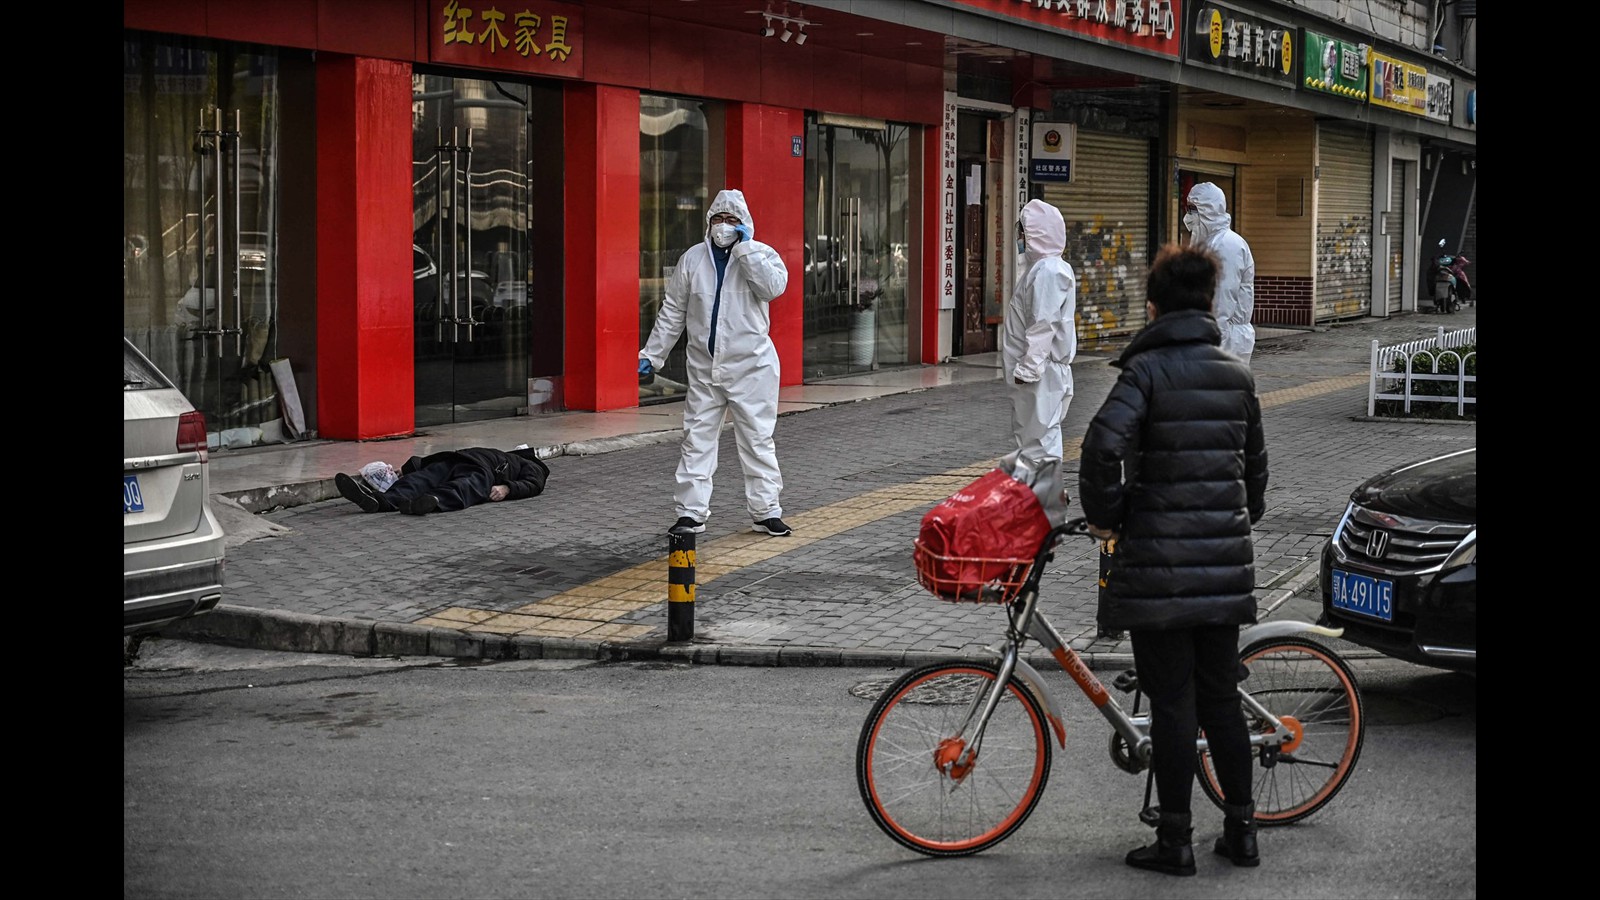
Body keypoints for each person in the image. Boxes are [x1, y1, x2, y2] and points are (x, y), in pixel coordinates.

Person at [1077, 244, 1269, 877]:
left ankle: (1176, 840)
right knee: (1220, 699)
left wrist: (1109, 514)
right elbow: (1255, 480)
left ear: (1154, 305)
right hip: (1222, 563)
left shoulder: (1146, 373)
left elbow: (1103, 447)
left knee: (1172, 704)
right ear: (1210, 303)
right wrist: (1232, 523)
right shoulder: (1236, 374)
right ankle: (1242, 833)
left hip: (1158, 565)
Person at [638, 188, 791, 538]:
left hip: (752, 367)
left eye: (732, 220)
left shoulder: (761, 254)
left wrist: (746, 250)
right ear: (708, 223)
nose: (724, 226)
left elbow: (772, 288)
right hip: (705, 368)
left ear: (745, 225)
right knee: (697, 440)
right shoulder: (692, 260)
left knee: (757, 439)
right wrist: (653, 355)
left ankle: (766, 511)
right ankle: (691, 513)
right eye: (718, 219)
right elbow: (673, 310)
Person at [1003, 198, 1078, 469]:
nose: (1020, 238)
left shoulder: (1047, 271)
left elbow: (1043, 323)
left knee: (1038, 448)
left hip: (1040, 376)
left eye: (1022, 231)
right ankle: (1043, 504)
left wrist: (1028, 369)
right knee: (1038, 444)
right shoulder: (1049, 268)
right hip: (1043, 374)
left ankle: (1045, 506)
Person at [334, 445, 550, 516]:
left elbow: (534, 485)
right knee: (420, 479)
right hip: (459, 459)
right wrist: (409, 469)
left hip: (486, 473)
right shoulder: (503, 453)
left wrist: (507, 488)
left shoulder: (531, 465)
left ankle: (429, 501)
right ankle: (382, 501)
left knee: (462, 488)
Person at [1183, 182, 1256, 366]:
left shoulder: (1226, 246)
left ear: (1209, 209)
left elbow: (1222, 302)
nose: (1188, 215)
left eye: (1193, 209)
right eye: (1188, 208)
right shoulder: (1208, 243)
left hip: (1227, 340)